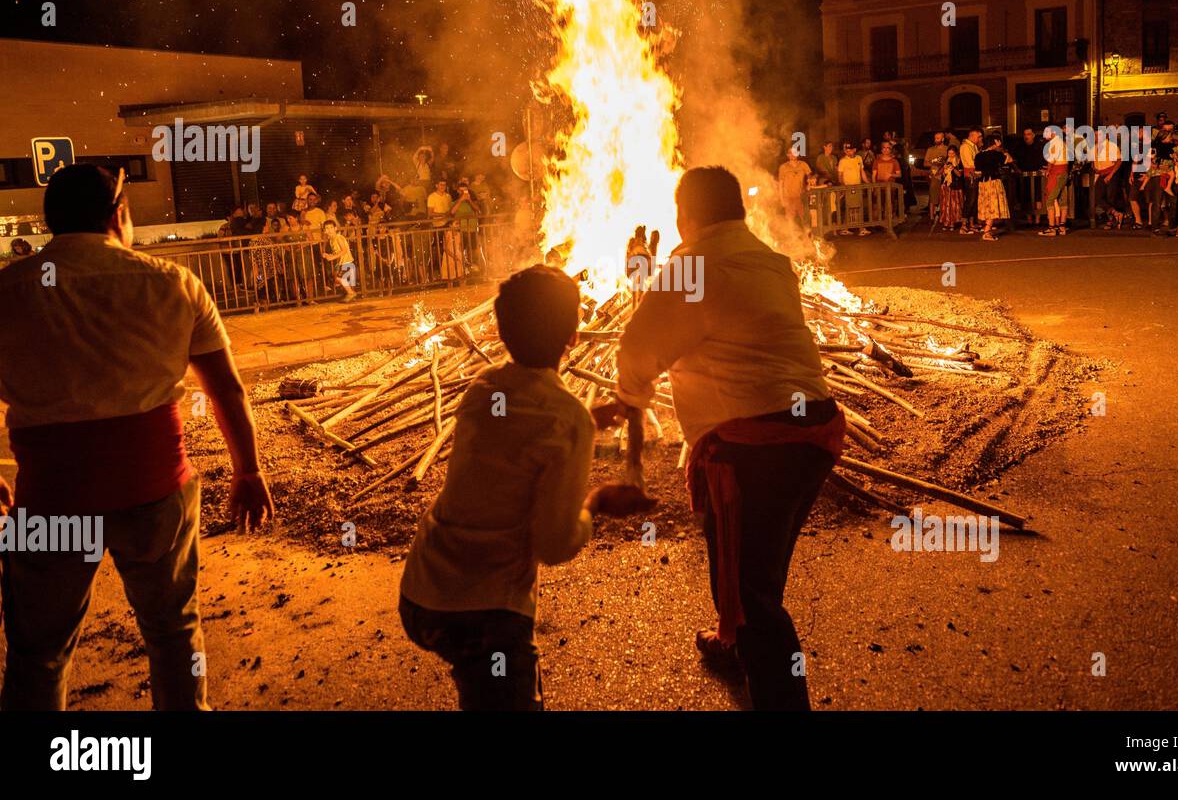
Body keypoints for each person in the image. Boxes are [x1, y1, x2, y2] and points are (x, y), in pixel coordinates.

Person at [0, 165, 272, 710]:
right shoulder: (172, 283)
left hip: (53, 498)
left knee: (40, 651)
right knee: (172, 631)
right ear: (117, 214)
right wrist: (248, 471)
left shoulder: (9, 289)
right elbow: (227, 390)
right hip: (153, 487)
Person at [613, 166, 845, 710]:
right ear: (738, 210)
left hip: (755, 449)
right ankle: (733, 643)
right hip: (815, 432)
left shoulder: (690, 265)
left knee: (753, 597)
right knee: (758, 566)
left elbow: (636, 352)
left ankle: (767, 675)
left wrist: (631, 400)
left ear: (684, 216)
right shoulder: (770, 259)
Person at [399, 266, 630, 710]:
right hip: (485, 610)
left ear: (502, 332)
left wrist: (585, 420)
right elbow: (555, 544)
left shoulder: (482, 389)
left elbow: (518, 435)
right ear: (574, 337)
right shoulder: (566, 419)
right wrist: (597, 502)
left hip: (422, 592)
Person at [974, 134, 1011, 240]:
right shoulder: (996, 154)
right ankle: (987, 231)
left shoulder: (978, 155)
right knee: (993, 207)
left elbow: (977, 172)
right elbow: (1009, 160)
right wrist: (1001, 149)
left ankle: (987, 228)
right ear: (994, 143)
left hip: (983, 183)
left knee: (986, 206)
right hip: (993, 182)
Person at [1039, 124, 1071, 237]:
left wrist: (1048, 170)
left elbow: (1052, 160)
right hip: (1063, 172)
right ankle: (1062, 226)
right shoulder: (1062, 143)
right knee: (1062, 199)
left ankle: (1051, 228)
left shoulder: (1054, 143)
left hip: (1057, 173)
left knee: (1050, 199)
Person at [836, 144, 869, 236]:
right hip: (848, 188)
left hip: (858, 187)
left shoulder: (858, 158)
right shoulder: (843, 161)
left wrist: (868, 183)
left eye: (850, 150)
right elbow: (840, 176)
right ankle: (849, 228)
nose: (848, 151)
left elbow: (862, 172)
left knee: (858, 206)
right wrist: (843, 187)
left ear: (854, 149)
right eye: (846, 150)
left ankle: (857, 228)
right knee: (850, 207)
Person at [321, 219, 358, 301]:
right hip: (342, 262)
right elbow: (337, 252)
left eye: (331, 227)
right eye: (327, 228)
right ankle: (351, 294)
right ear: (325, 231)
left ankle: (351, 293)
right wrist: (329, 255)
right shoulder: (331, 240)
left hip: (346, 261)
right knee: (338, 279)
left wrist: (332, 257)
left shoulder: (338, 238)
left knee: (338, 278)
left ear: (335, 228)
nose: (329, 230)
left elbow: (344, 250)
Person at [777, 148, 812, 223]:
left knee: (804, 218)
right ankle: (792, 234)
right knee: (790, 220)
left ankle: (807, 233)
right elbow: (780, 184)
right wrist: (782, 198)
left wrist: (809, 184)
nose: (792, 155)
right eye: (790, 153)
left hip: (801, 196)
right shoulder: (783, 167)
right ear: (787, 155)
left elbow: (809, 176)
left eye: (794, 152)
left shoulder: (803, 164)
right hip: (788, 197)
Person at [958, 128, 982, 234]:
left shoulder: (973, 146)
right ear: (972, 136)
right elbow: (971, 163)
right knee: (970, 199)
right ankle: (964, 224)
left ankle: (972, 223)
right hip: (970, 176)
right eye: (978, 136)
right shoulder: (965, 147)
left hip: (975, 175)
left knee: (974, 199)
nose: (980, 139)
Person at [937, 145, 965, 231]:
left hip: (955, 186)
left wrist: (953, 168)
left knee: (954, 205)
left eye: (952, 153)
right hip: (946, 185)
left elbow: (960, 175)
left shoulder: (959, 161)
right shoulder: (945, 161)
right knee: (946, 205)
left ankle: (953, 222)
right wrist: (943, 167)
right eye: (949, 153)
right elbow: (939, 173)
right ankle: (946, 222)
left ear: (956, 153)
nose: (951, 155)